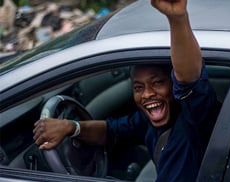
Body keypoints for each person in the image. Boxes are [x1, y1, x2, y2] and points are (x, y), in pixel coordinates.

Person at [33, 0, 219, 181]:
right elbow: (112, 131)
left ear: (173, 83)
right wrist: (71, 127)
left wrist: (178, 19)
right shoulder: (149, 120)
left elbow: (189, 79)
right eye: (138, 88)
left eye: (157, 83)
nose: (146, 94)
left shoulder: (194, 118)